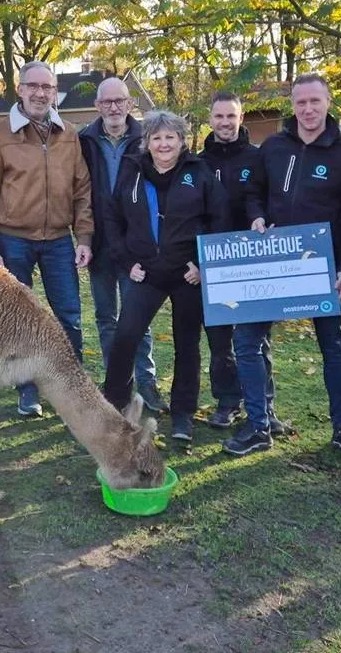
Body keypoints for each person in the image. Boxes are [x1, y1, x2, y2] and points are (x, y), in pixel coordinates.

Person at [224, 73, 341, 459]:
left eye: (315, 102)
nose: (307, 109)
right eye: (301, 102)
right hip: (272, 263)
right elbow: (253, 192)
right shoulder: (272, 146)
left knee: (332, 346)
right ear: (292, 104)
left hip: (321, 266)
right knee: (247, 340)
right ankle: (258, 424)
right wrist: (255, 217)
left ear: (328, 102)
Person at [0, 60, 93, 417]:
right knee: (19, 319)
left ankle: (72, 387)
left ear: (55, 93)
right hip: (12, 242)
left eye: (47, 88)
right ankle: (29, 391)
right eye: (33, 86)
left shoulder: (69, 134)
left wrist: (83, 236)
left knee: (68, 315)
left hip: (58, 241)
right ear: (20, 89)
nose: (40, 93)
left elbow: (82, 191)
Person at [101, 110, 231, 442]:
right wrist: (126, 260)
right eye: (156, 137)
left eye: (169, 137)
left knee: (187, 344)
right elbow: (113, 218)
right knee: (125, 336)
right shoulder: (132, 171)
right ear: (146, 142)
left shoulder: (199, 173)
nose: (163, 144)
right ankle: (113, 407)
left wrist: (202, 264)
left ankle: (183, 415)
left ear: (182, 141)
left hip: (186, 274)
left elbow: (219, 221)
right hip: (146, 273)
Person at [198, 91, 283, 432]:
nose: (225, 123)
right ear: (211, 120)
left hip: (252, 259)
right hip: (214, 261)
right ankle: (227, 401)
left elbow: (263, 199)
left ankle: (264, 406)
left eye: (231, 116)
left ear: (241, 118)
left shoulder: (258, 158)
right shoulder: (198, 163)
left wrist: (262, 220)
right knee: (220, 340)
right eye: (219, 117)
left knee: (258, 339)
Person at [79, 77, 164, 412]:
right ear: (98, 106)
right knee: (106, 317)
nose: (113, 107)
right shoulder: (83, 140)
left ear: (131, 104)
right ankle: (116, 384)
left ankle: (147, 383)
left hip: (137, 245)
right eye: (106, 102)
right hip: (99, 242)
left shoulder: (147, 137)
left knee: (137, 316)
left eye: (120, 101)